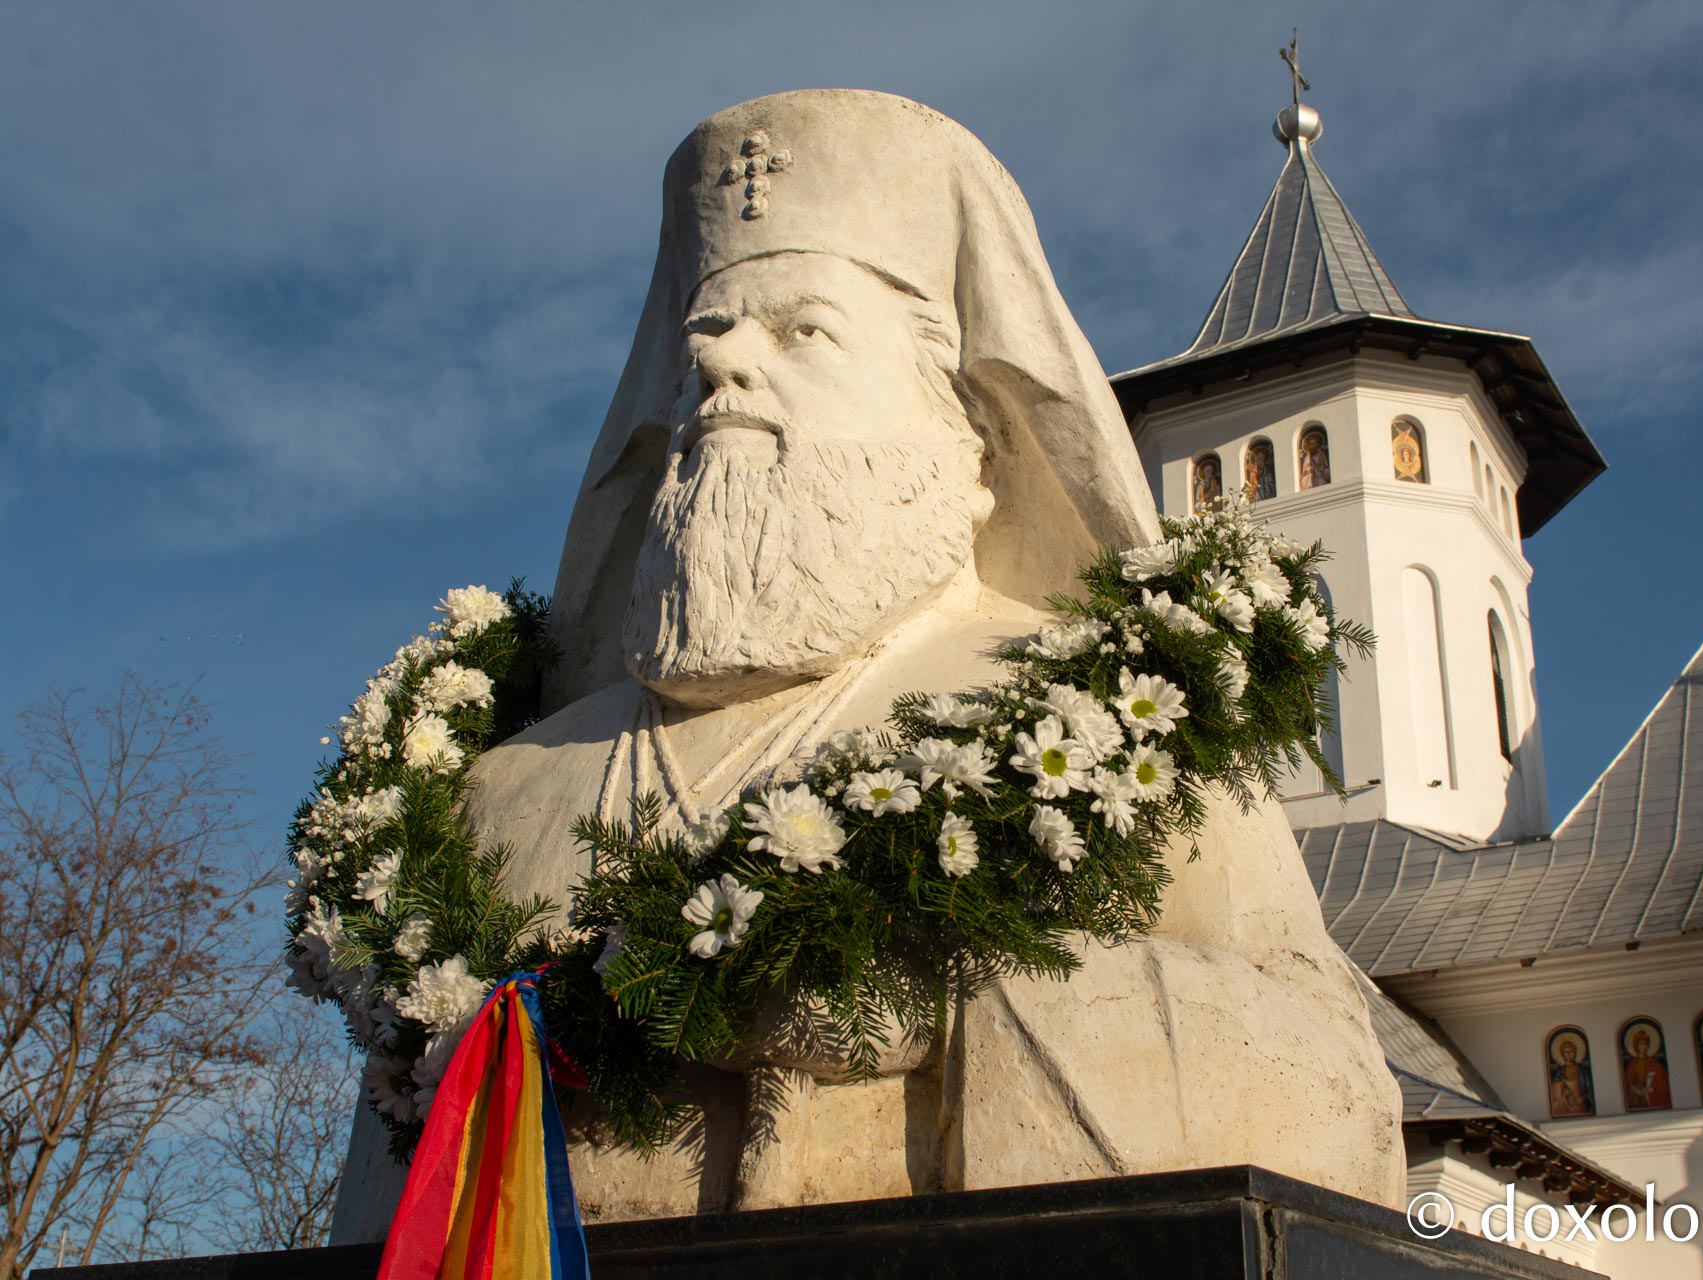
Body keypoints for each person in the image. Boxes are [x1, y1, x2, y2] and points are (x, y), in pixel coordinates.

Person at [329, 89, 1403, 1242]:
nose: (722, 366)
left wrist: (966, 999)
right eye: (707, 339)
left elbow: (1343, 1092)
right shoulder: (510, 791)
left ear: (965, 434)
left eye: (803, 330)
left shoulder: (1107, 725)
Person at [1621, 1028, 1671, 1110]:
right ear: (1636, 1045)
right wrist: (1635, 1090)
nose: (1644, 1047)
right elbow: (1627, 1085)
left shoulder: (1654, 1064)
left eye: (1646, 1044)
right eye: (1641, 1044)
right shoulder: (1632, 1065)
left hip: (1652, 1100)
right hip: (1638, 1102)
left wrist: (1653, 1089)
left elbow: (1664, 1085)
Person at [1547, 1036, 1593, 1118]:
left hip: (1582, 1105)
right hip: (1566, 1106)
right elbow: (1555, 1092)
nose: (1569, 1054)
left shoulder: (1583, 1071)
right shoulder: (1559, 1072)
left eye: (1571, 1051)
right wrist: (1565, 1091)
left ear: (1575, 1052)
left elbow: (1591, 1089)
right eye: (1566, 1052)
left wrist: (1582, 1099)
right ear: (1562, 1054)